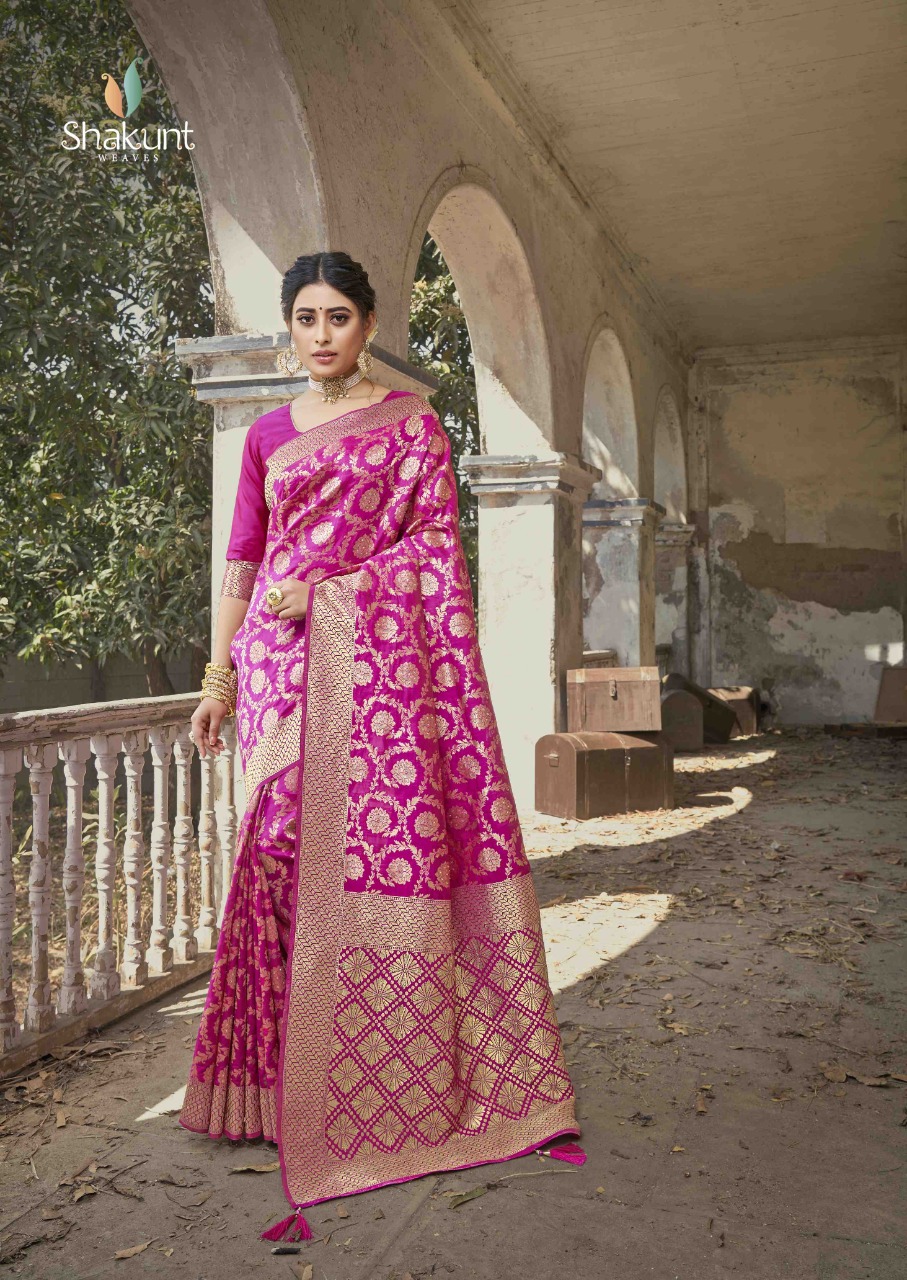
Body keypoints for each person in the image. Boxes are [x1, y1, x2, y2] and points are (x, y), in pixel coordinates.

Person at [179, 251, 584, 1241]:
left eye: (339, 317)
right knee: (275, 851)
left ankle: (366, 1071)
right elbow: (240, 562)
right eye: (305, 317)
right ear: (289, 326)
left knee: (357, 855)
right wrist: (218, 678)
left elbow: (436, 549)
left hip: (373, 669)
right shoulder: (268, 434)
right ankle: (270, 1083)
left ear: (366, 326)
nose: (321, 334)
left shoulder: (410, 426)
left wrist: (327, 592)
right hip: (279, 665)